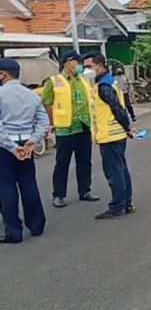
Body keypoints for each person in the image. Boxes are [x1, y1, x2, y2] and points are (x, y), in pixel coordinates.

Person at [0, 59, 49, 243]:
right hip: (27, 144)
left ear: (3, 74)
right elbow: (44, 122)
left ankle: (14, 231)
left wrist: (12, 148)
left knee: (6, 188)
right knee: (29, 184)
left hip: (6, 147)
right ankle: (37, 225)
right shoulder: (32, 95)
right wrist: (33, 141)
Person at [42, 50, 99, 208]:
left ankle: (85, 190)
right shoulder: (54, 81)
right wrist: (52, 121)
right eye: (77, 62)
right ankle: (59, 195)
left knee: (84, 161)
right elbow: (46, 102)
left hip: (83, 126)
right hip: (65, 129)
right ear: (68, 62)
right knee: (62, 163)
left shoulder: (84, 79)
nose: (80, 65)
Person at [83, 53, 136, 219]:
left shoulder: (103, 86)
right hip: (114, 134)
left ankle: (118, 205)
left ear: (100, 66)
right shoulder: (107, 82)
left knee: (114, 172)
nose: (86, 70)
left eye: (89, 67)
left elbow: (117, 108)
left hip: (110, 135)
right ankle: (126, 203)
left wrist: (128, 127)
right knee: (121, 170)